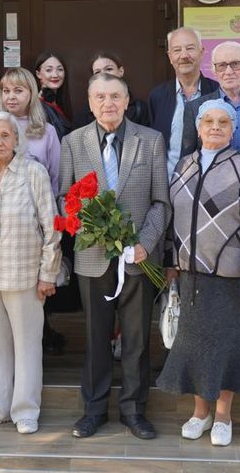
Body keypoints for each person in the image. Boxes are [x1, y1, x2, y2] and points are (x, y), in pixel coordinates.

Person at [60, 73, 170, 440]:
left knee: (137, 340)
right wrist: (88, 223)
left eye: (115, 96)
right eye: (100, 97)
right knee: (96, 338)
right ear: (90, 103)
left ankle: (134, 410)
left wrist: (147, 242)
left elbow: (160, 201)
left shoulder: (150, 141)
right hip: (93, 258)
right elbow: (65, 197)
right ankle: (94, 410)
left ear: (126, 101)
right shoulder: (73, 142)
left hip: (138, 258)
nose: (108, 103)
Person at [158, 99, 240, 447]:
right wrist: (171, 262)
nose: (216, 127)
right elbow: (174, 219)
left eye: (224, 122)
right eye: (209, 121)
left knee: (224, 348)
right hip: (190, 273)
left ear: (233, 129)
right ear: (198, 126)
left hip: (231, 275)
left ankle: (223, 415)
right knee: (194, 347)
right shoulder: (185, 165)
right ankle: (200, 412)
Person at [0, 112, 61, 433]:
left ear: (16, 140)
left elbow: (52, 227)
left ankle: (25, 411)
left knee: (27, 344)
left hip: (25, 274)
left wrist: (48, 273)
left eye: (5, 135)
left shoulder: (33, 172)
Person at [181, 40, 240, 160]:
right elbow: (187, 158)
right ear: (213, 69)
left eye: (235, 64)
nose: (229, 71)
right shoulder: (195, 108)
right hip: (212, 178)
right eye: (222, 65)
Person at [148, 27, 218, 177]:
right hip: (166, 184)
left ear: (202, 51)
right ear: (170, 56)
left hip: (207, 184)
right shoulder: (157, 96)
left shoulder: (217, 93)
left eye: (190, 48)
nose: (184, 55)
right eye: (177, 50)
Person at [75, 52, 152, 127]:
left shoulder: (139, 108)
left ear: (121, 71)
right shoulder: (85, 112)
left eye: (108, 69)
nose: (103, 74)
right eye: (97, 72)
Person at [34, 51, 73, 136]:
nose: (55, 75)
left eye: (60, 69)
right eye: (49, 70)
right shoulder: (36, 106)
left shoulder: (58, 101)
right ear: (38, 74)